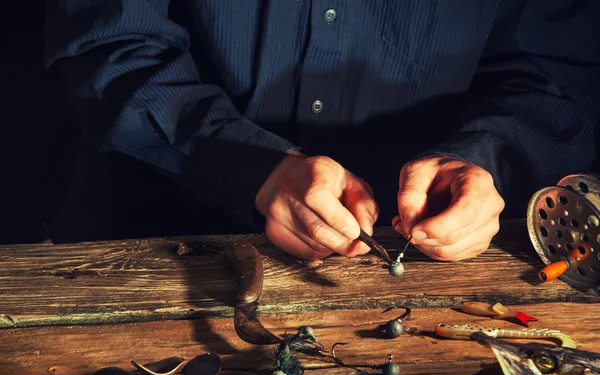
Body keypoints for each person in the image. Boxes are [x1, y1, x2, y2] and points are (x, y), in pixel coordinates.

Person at [43, 1, 599, 262]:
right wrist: (250, 166)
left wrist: (485, 158)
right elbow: (107, 45)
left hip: (425, 257)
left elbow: (559, 69)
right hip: (150, 238)